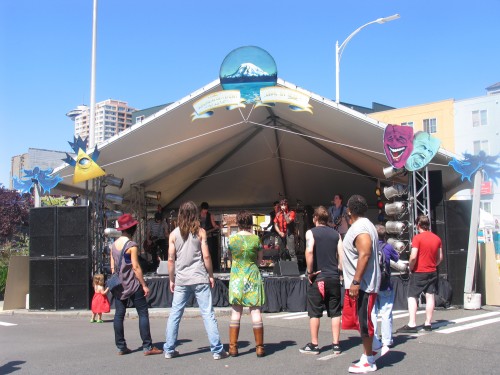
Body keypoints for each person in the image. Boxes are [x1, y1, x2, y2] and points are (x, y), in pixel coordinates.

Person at [164, 201, 228, 360]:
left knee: (175, 314)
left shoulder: (173, 234)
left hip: (182, 279)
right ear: (195, 214)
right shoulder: (200, 232)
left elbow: (171, 259)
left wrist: (171, 279)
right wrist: (211, 275)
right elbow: (206, 256)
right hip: (199, 277)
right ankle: (217, 350)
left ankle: (169, 349)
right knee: (207, 313)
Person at [110, 213, 163, 356]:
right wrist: (144, 284)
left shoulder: (113, 245)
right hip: (132, 284)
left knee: (119, 315)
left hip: (119, 285)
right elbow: (136, 267)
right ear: (132, 229)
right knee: (143, 313)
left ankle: (121, 346)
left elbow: (113, 268)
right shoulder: (131, 245)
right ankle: (147, 346)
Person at [342, 195, 381, 373]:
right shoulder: (366, 224)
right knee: (361, 321)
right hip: (362, 283)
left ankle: (369, 360)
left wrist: (356, 282)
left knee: (363, 322)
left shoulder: (360, 227)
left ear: (349, 210)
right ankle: (371, 349)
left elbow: (365, 253)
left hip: (362, 284)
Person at [299, 206, 344, 355]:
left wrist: (310, 272)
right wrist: (340, 271)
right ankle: (336, 344)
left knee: (315, 312)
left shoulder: (310, 232)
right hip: (333, 277)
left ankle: (314, 344)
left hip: (319, 277)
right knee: (335, 312)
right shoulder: (336, 235)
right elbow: (341, 255)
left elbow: (309, 250)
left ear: (315, 219)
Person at [227, 210, 266, 357]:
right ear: (250, 223)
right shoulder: (256, 240)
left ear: (238, 222)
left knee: (236, 311)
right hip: (252, 275)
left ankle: (233, 347)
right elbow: (260, 259)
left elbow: (230, 256)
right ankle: (260, 348)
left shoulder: (232, 239)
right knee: (255, 311)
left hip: (237, 277)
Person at [397, 215, 443, 333]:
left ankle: (412, 323)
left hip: (419, 271)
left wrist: (411, 267)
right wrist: (433, 264)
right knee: (430, 296)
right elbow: (440, 258)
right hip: (432, 271)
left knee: (412, 296)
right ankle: (428, 323)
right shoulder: (437, 238)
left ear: (418, 225)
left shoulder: (417, 238)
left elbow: (413, 257)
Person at [371, 224, 401, 356]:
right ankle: (387, 340)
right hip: (385, 284)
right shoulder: (387, 247)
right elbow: (397, 258)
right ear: (385, 236)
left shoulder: (370, 247)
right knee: (386, 313)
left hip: (372, 284)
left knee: (372, 313)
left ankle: (374, 339)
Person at [199, 202, 221, 272]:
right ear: (201, 209)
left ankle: (209, 268)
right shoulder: (197, 215)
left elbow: (214, 225)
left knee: (209, 252)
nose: (205, 211)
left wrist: (216, 227)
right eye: (204, 209)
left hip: (208, 236)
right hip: (199, 237)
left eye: (206, 210)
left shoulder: (210, 215)